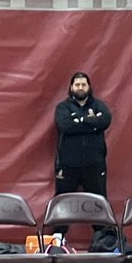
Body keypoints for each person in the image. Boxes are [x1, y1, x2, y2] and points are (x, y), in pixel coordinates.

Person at [54, 71, 111, 199]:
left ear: (89, 87)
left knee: (99, 205)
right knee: (63, 204)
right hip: (68, 165)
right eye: (77, 84)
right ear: (71, 87)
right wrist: (93, 122)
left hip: (94, 165)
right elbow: (65, 126)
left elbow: (106, 121)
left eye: (83, 84)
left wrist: (79, 120)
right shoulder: (62, 108)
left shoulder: (99, 106)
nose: (80, 87)